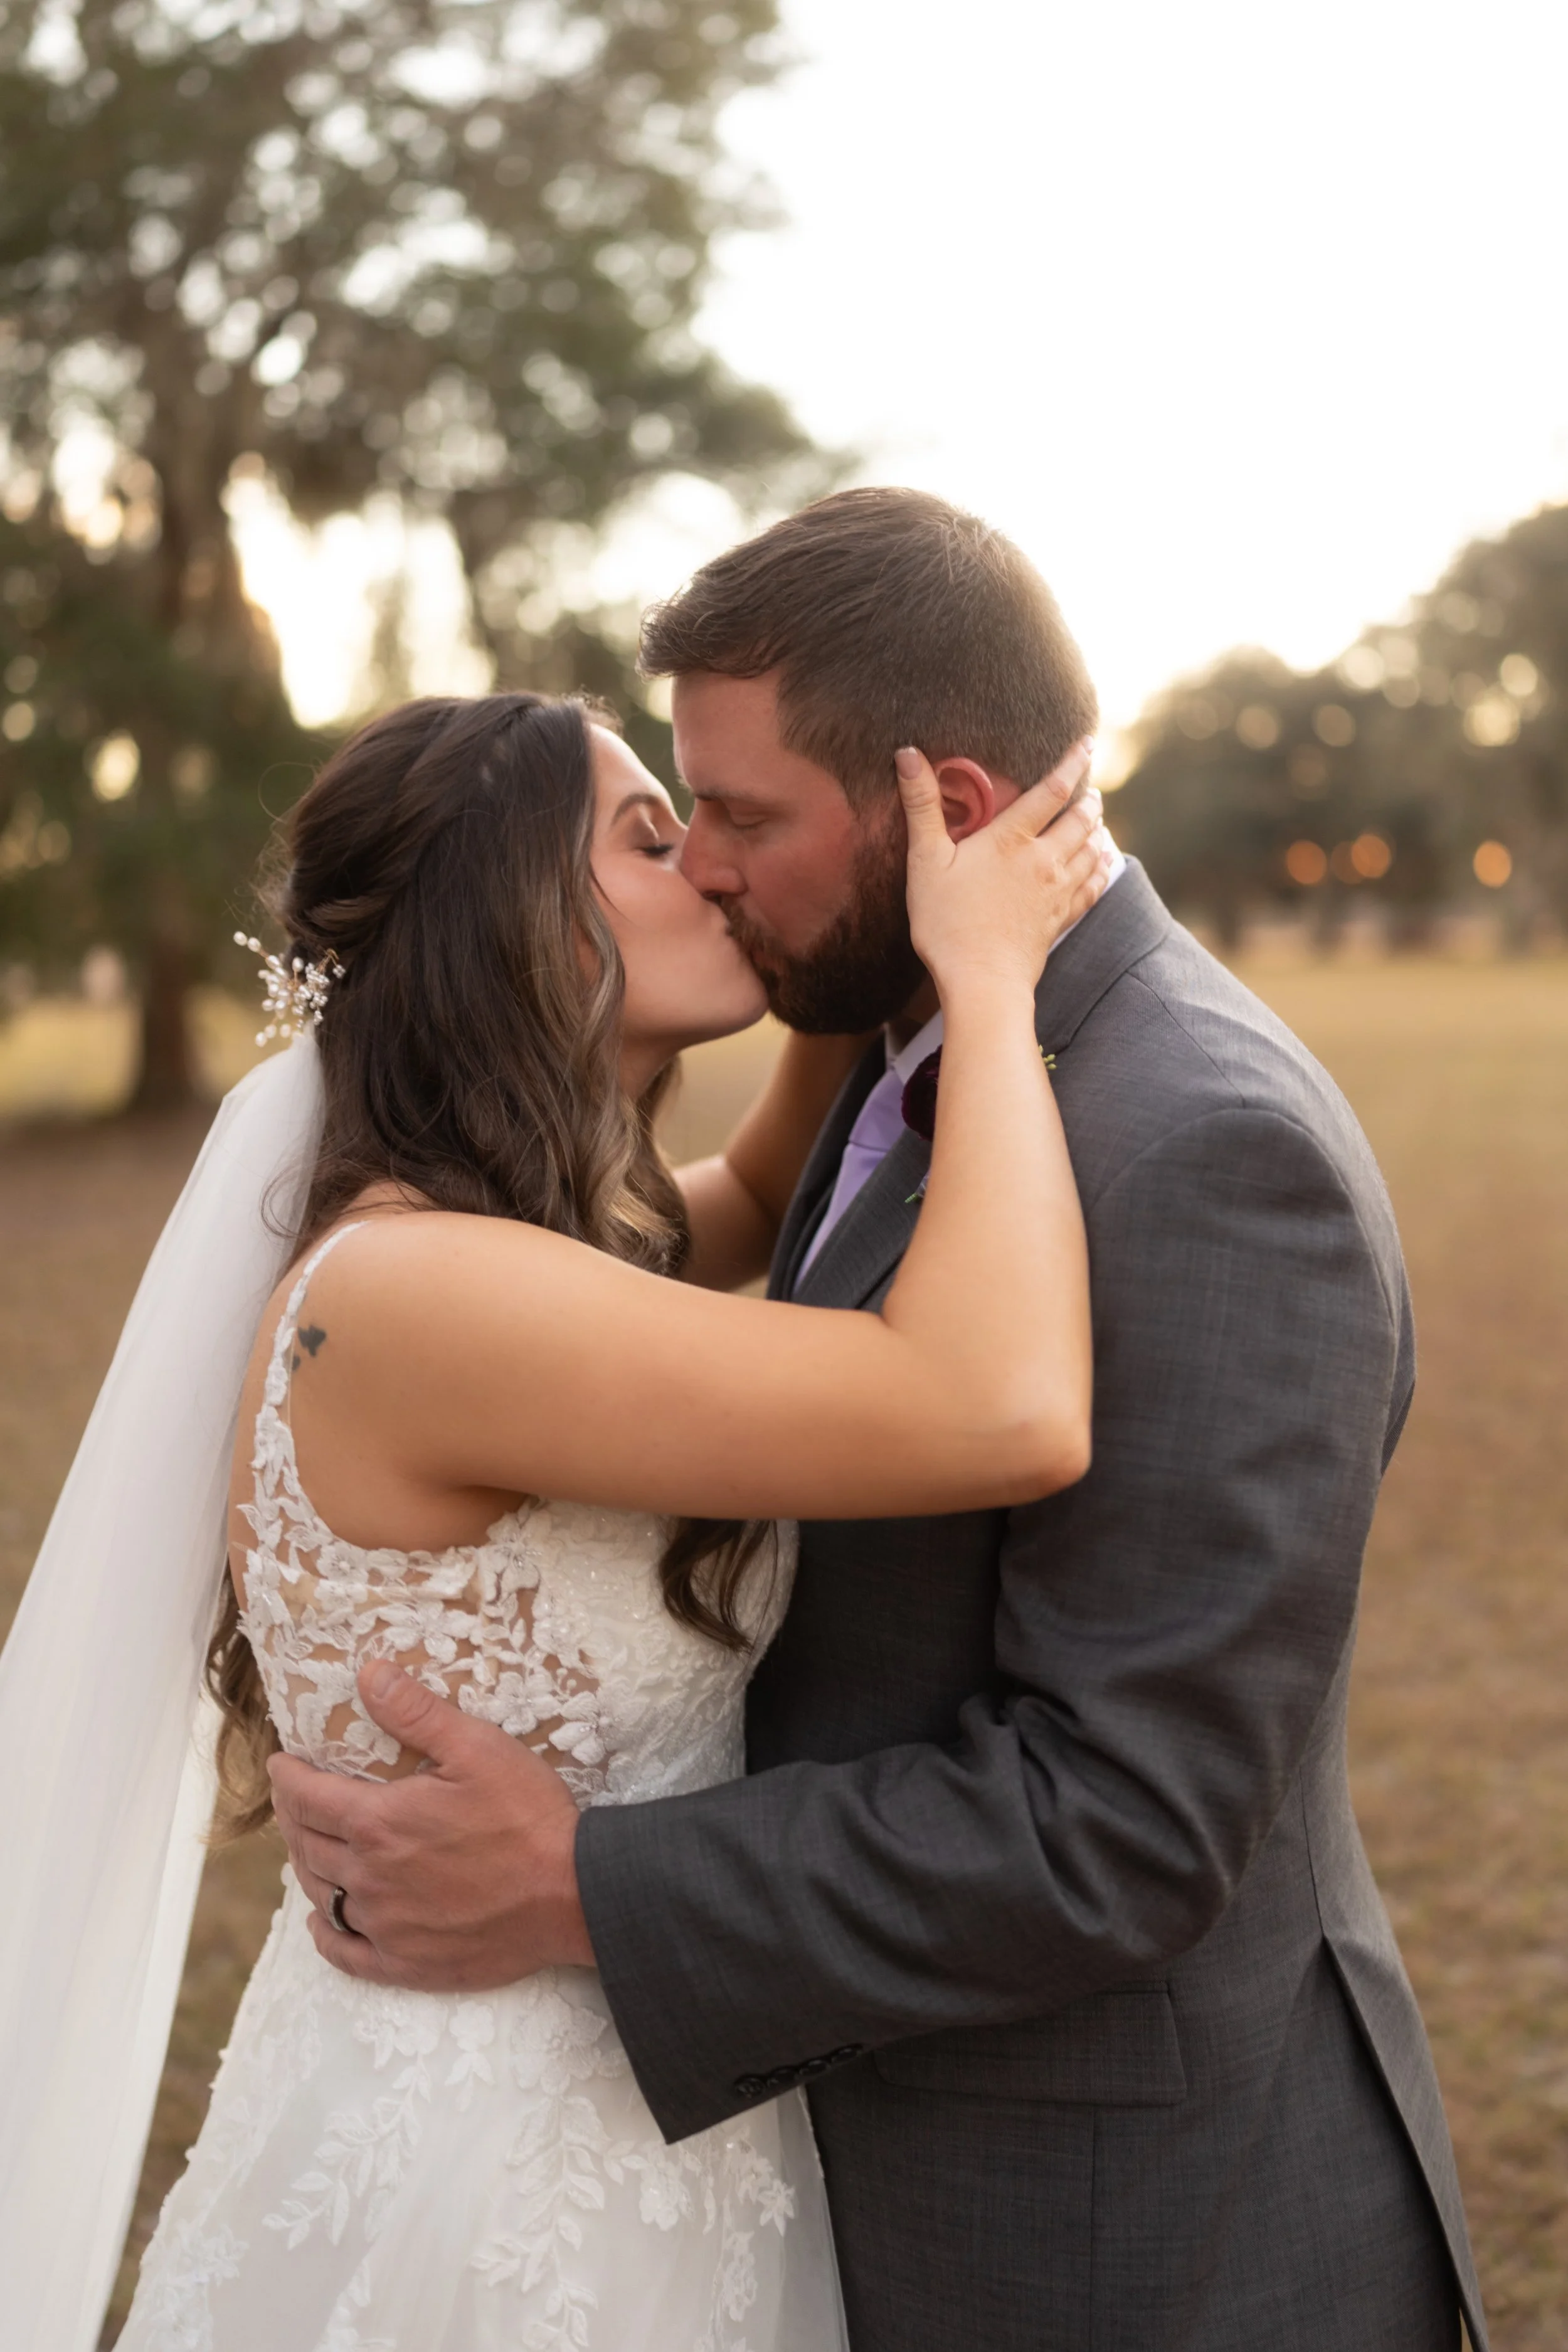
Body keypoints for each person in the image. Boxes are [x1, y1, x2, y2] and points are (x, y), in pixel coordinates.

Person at [274, 490, 1489, 2352]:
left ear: (954, 808)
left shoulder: (1199, 1149)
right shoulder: (900, 1054)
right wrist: (954, 966)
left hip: (1121, 2246)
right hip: (695, 2154)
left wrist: (582, 1880)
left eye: (739, 821)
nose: (714, 876)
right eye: (668, 827)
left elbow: (1124, 1823)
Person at [99, 685, 1111, 2348]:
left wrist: (859, 901)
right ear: (515, 918)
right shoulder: (432, 1298)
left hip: (619, 2112)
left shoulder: (523, 1254)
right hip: (503, 2192)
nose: (713, 868)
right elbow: (996, 1399)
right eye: (655, 834)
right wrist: (990, 988)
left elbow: (780, 1189)